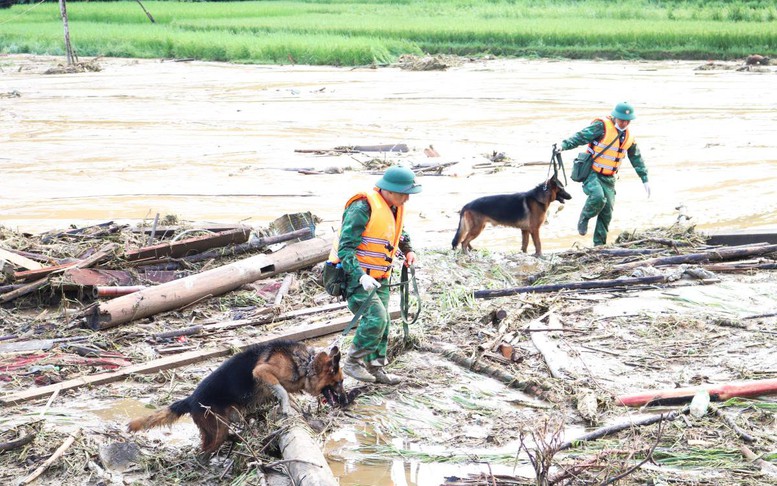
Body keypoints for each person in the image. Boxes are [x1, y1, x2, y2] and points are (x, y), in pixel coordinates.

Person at [327, 166, 421, 384]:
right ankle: (352, 362)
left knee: (385, 321)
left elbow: (398, 231)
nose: (407, 198)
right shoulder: (361, 207)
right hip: (355, 276)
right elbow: (345, 248)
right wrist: (360, 276)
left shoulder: (393, 206)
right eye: (403, 193)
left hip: (381, 276)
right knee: (376, 318)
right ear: (388, 190)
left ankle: (376, 367)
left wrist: (408, 250)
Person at [555, 102, 651, 246]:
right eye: (621, 120)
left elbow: (636, 157)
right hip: (592, 172)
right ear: (615, 117)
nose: (624, 123)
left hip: (610, 178)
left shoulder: (629, 137)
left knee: (606, 213)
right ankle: (584, 217)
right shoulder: (601, 126)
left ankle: (599, 246)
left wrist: (644, 178)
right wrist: (563, 145)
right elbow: (580, 137)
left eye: (627, 121)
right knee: (598, 197)